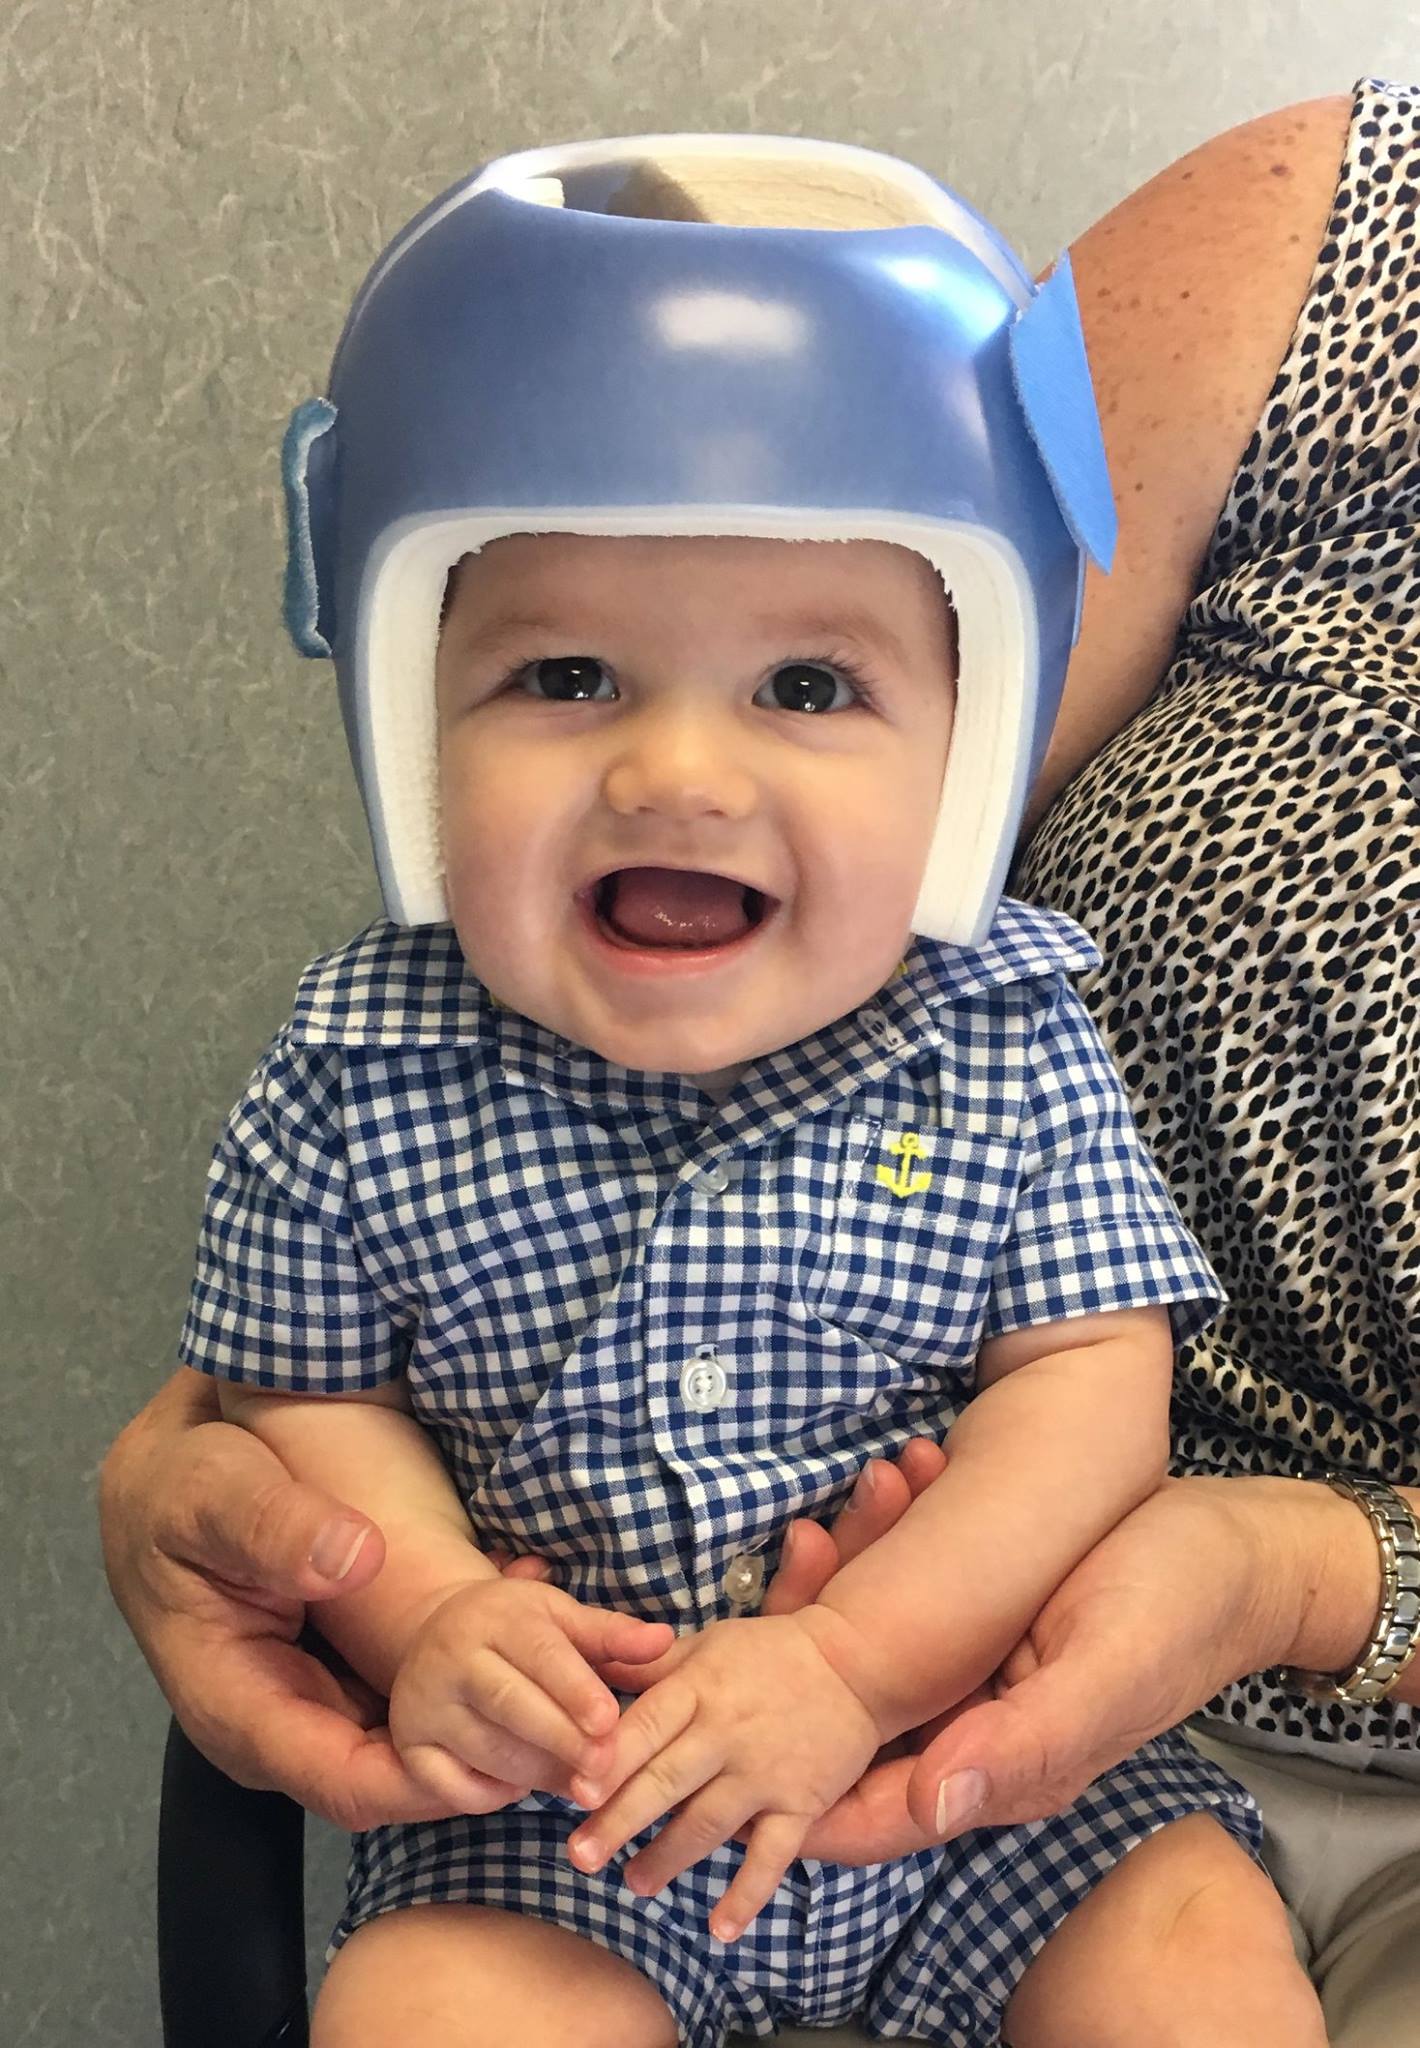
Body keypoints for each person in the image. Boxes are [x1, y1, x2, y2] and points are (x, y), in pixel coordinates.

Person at [97, 79, 1420, 2044]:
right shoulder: (356, 1067)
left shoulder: (1006, 1033)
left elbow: (1086, 1395)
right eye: (564, 676)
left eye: (807, 685)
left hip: (981, 1760)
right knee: (425, 2010)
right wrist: (428, 1610)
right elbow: (305, 1397)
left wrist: (862, 1662)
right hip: (563, 1804)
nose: (677, 770)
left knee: (1186, 1978)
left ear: (973, 727)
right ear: (400, 701)